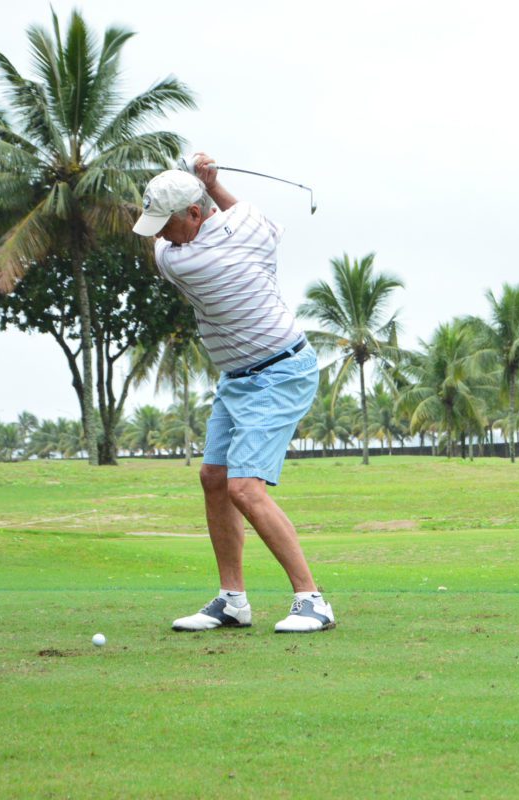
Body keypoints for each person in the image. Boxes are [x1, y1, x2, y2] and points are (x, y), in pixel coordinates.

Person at [132, 153, 334, 634]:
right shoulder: (248, 225)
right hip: (238, 375)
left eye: (167, 225)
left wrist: (200, 185)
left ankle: (313, 600)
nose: (161, 236)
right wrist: (213, 183)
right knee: (214, 478)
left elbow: (178, 240)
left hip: (280, 372)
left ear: (194, 214)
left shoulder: (181, 261)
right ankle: (232, 601)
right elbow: (239, 215)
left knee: (244, 488)